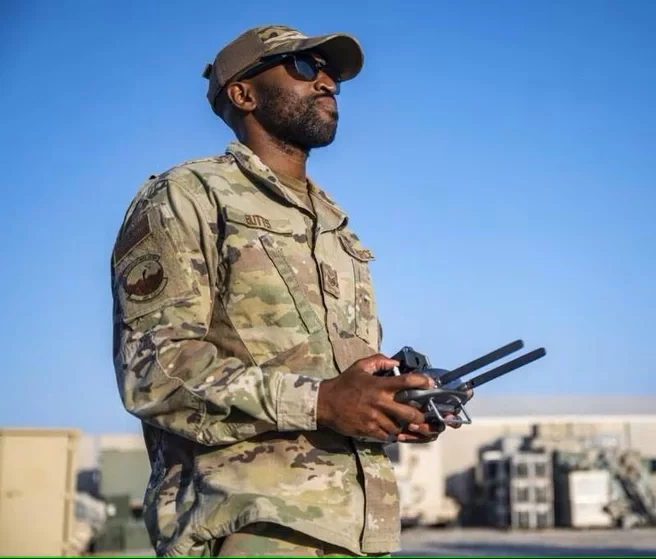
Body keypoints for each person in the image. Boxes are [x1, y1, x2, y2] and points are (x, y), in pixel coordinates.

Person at [110, 24, 457, 557]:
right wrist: (320, 402)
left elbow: (342, 386)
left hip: (355, 529)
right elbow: (156, 372)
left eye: (330, 71)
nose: (327, 81)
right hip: (251, 526)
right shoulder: (189, 196)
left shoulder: (336, 226)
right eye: (302, 66)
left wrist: (396, 408)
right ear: (242, 93)